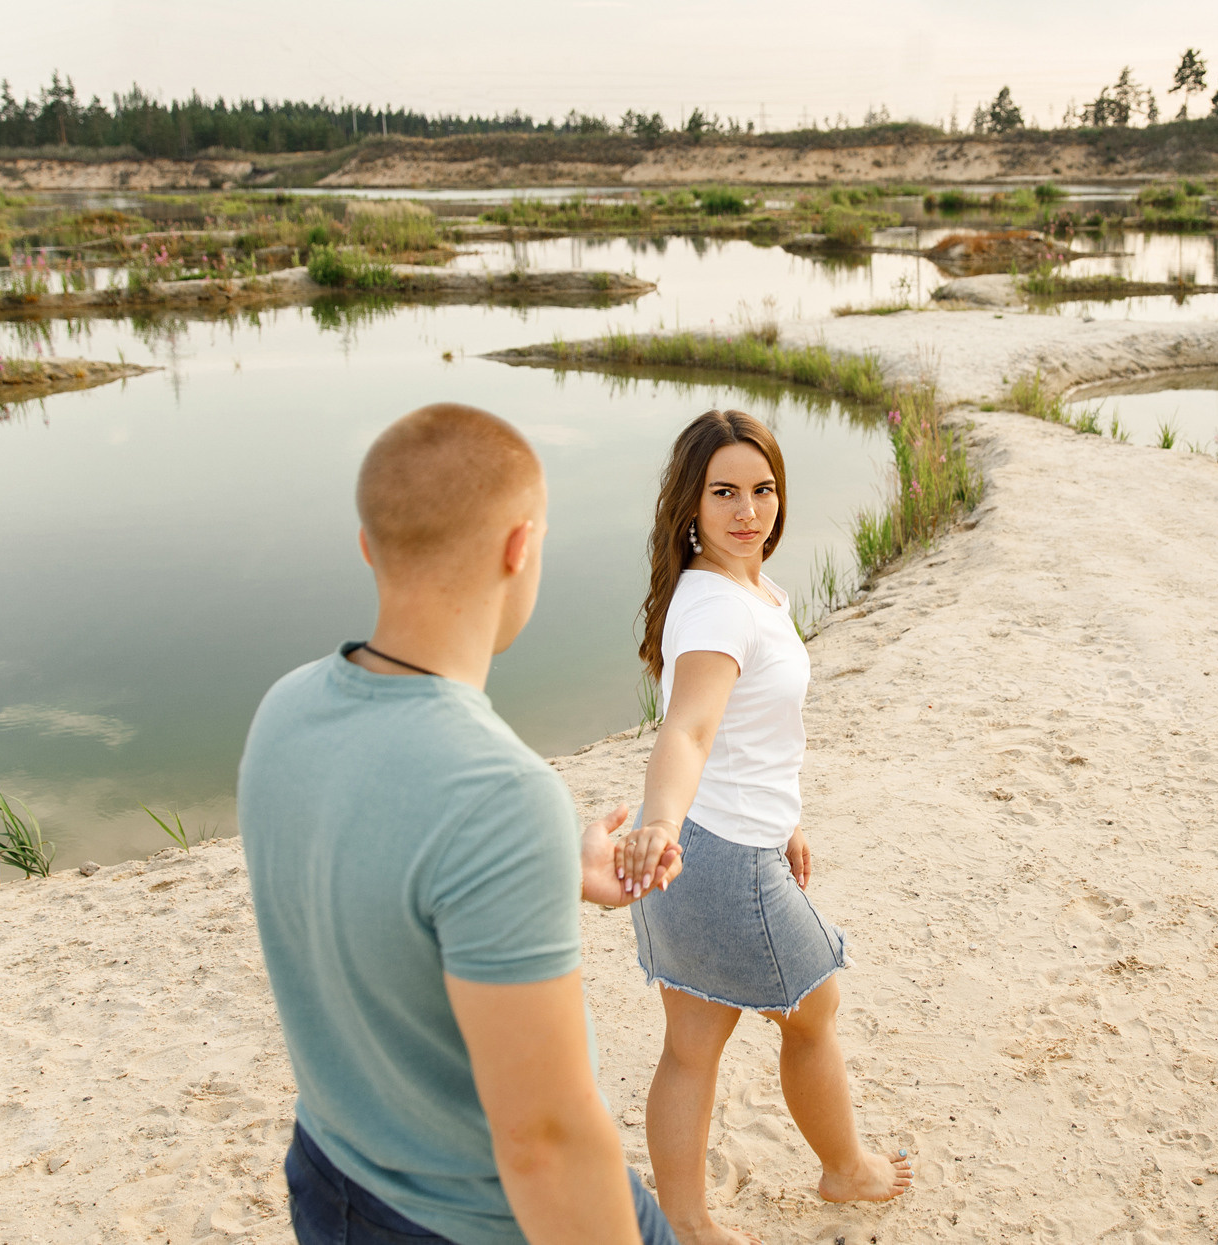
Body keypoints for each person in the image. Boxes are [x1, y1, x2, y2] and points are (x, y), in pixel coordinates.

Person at [239, 403, 682, 1245]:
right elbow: (544, 1140)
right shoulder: (499, 794)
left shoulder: (286, 707)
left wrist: (553, 866)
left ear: (370, 545)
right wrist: (528, 842)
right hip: (474, 1221)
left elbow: (388, 868)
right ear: (522, 546)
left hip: (332, 1178)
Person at [615, 409, 913, 1245]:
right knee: (815, 1006)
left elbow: (750, 732)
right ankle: (846, 1167)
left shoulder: (744, 586)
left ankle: (683, 1218)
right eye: (724, 493)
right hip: (712, 856)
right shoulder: (717, 605)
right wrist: (664, 821)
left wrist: (787, 819)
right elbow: (689, 729)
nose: (748, 509)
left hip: (713, 841)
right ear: (690, 505)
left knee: (691, 1042)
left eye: (763, 488)